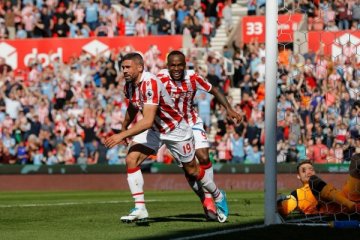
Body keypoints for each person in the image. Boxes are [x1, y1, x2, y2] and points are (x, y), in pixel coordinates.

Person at [104, 53, 228, 223]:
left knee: (192, 170)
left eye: (127, 67)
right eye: (123, 67)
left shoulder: (150, 82)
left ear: (140, 67)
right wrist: (124, 126)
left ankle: (218, 195)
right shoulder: (129, 86)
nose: (124, 70)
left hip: (176, 129)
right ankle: (140, 208)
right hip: (155, 130)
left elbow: (146, 121)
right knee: (131, 159)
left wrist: (121, 135)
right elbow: (133, 107)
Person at [157, 50, 242, 220]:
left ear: (185, 65)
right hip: (172, 128)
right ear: (167, 66)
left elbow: (215, 90)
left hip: (191, 122)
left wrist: (229, 109)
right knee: (190, 171)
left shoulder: (193, 77)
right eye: (172, 65)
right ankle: (206, 200)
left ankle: (213, 196)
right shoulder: (160, 78)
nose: (176, 68)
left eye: (180, 65)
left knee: (203, 157)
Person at [277, 155, 360, 217]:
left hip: (348, 197)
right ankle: (351, 206)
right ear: (298, 176)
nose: (308, 172)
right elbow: (284, 209)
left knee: (356, 159)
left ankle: (352, 205)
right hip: (335, 210)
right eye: (304, 170)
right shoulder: (297, 194)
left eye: (311, 169)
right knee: (313, 181)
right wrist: (277, 202)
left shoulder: (323, 186)